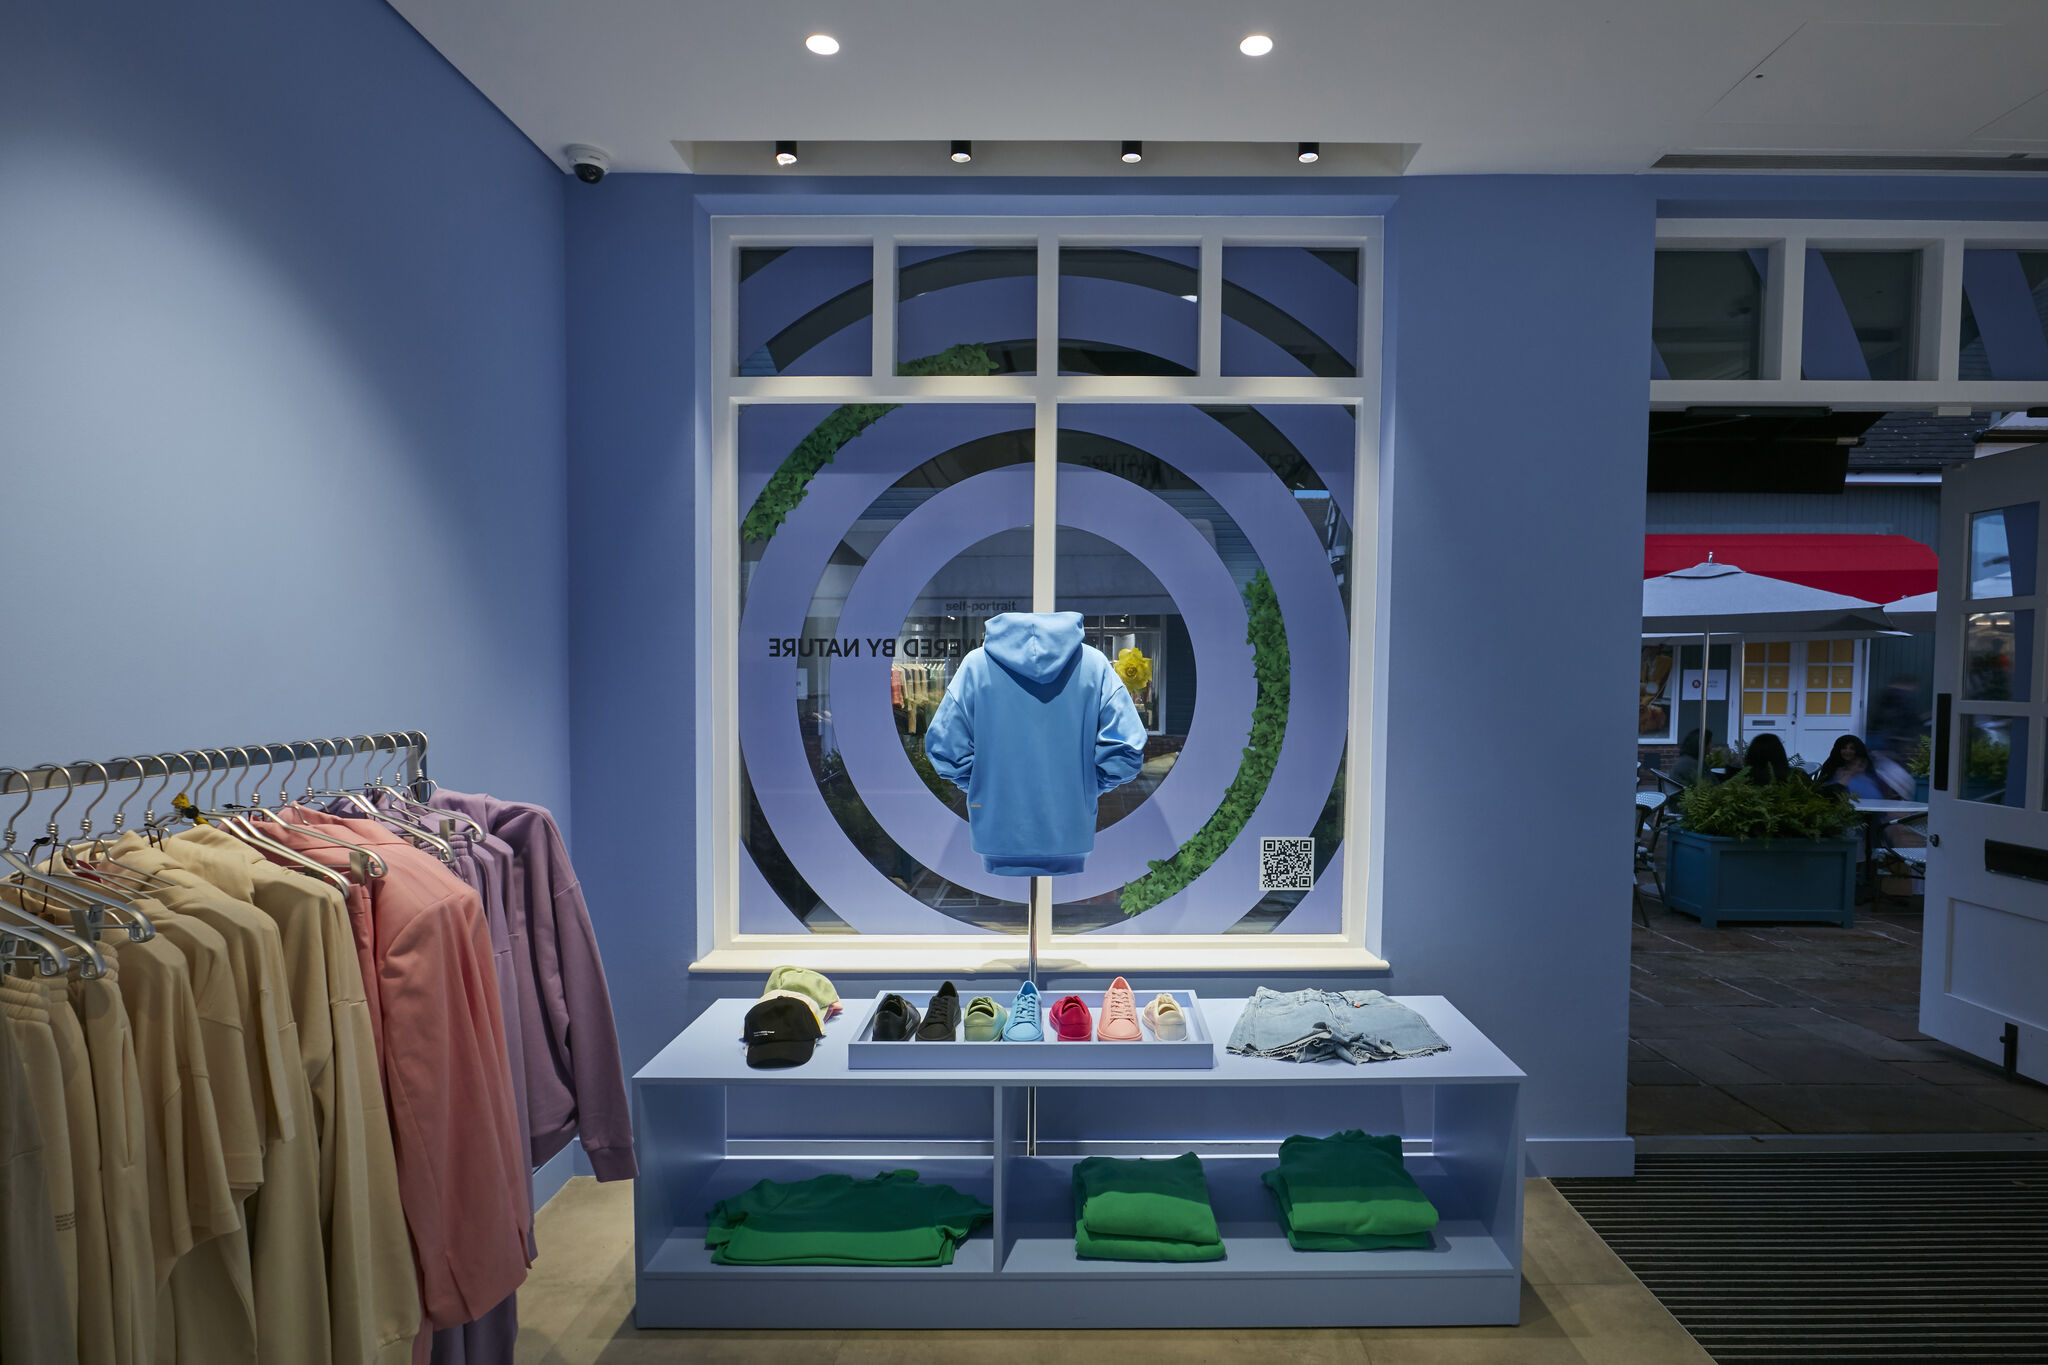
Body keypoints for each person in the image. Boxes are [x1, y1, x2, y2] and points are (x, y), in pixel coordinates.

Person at [1816, 734, 1908, 800]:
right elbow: (1822, 793)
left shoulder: (1866, 767)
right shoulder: (1831, 766)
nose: (1847, 751)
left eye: (1852, 748)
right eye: (1844, 748)